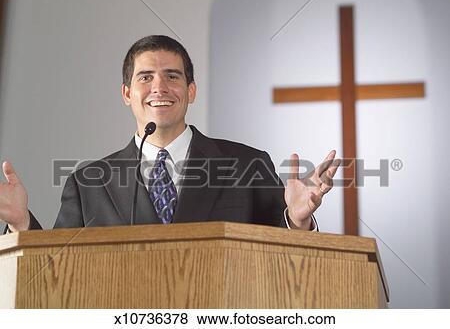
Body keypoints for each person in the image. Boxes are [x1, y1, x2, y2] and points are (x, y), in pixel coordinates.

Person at [0, 35, 339, 233]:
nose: (159, 87)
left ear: (191, 91)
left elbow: (283, 259)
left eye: (172, 76)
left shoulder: (248, 164)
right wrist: (21, 224)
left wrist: (295, 220)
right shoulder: (88, 182)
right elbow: (56, 268)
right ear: (126, 93)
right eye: (145, 77)